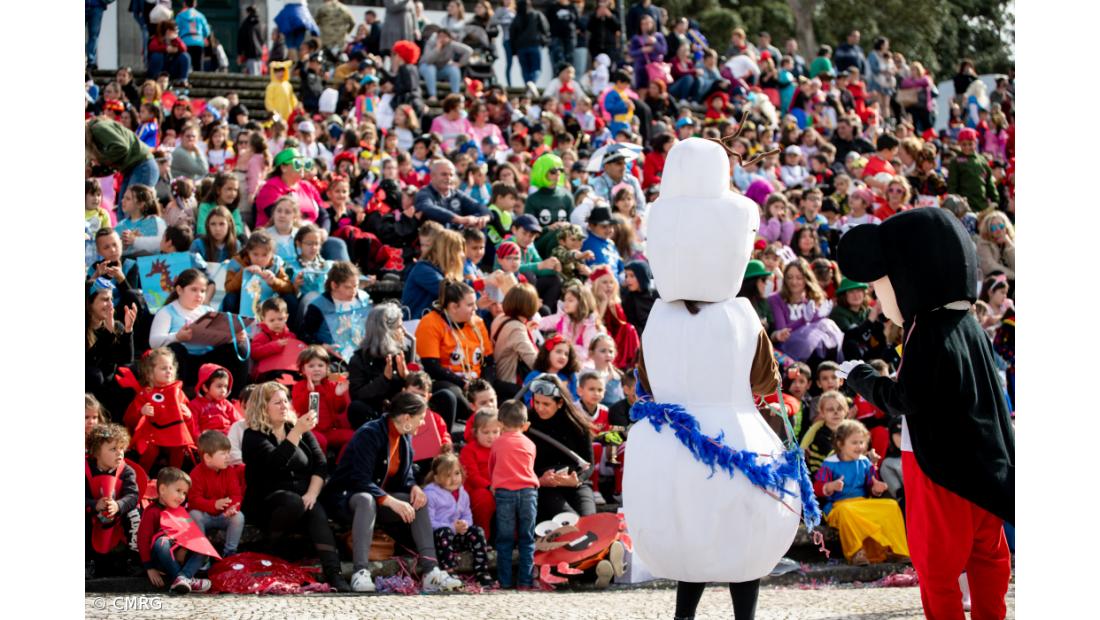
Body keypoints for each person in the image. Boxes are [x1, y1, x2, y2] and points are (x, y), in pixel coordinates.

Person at [837, 208, 1013, 620]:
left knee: (937, 564)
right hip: (986, 462)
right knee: (988, 556)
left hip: (939, 466)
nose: (880, 296)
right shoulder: (969, 324)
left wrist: (862, 376)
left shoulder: (926, 329)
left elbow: (905, 398)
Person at [322, 392, 464, 592]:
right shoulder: (369, 433)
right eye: (421, 418)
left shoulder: (404, 436)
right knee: (366, 499)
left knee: (419, 501)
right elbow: (359, 480)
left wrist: (414, 487)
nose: (423, 423)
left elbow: (407, 473)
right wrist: (390, 500)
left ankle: (431, 571)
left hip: (379, 500)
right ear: (407, 418)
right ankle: (360, 572)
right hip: (347, 498)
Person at [241, 382, 350, 591]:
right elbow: (276, 462)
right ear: (263, 407)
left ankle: (334, 573)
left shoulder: (297, 428)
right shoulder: (253, 436)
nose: (284, 406)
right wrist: (297, 432)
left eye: (285, 401)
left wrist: (312, 493)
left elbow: (320, 464)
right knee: (293, 502)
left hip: (303, 496)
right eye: (277, 402)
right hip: (269, 502)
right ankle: (270, 550)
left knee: (314, 508)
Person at [814, 420, 909, 565]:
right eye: (854, 443)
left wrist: (876, 488)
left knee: (891, 506)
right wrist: (830, 486)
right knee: (846, 511)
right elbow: (816, 488)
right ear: (840, 444)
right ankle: (856, 552)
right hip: (838, 506)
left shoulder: (865, 462)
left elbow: (871, 486)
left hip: (862, 503)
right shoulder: (829, 464)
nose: (859, 446)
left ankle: (895, 550)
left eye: (862, 442)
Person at [149, 269, 249, 394]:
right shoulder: (167, 311)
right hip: (184, 364)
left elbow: (219, 337)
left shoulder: (208, 311)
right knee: (175, 349)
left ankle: (236, 396)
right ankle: (178, 393)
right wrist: (177, 337)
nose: (199, 295)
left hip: (208, 362)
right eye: (194, 290)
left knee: (238, 348)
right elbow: (153, 342)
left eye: (202, 291)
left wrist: (233, 337)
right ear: (179, 290)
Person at [415, 279, 493, 423]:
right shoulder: (430, 323)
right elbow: (432, 367)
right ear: (453, 307)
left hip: (475, 380)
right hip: (445, 381)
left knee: (507, 391)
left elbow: (488, 361)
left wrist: (485, 386)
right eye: (470, 305)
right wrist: (463, 383)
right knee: (451, 393)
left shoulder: (477, 322)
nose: (475, 308)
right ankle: (482, 420)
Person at [522, 374, 596, 521]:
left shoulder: (577, 425)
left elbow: (589, 463)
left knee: (589, 520)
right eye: (536, 402)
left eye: (546, 404)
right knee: (569, 520)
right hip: (544, 486)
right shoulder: (525, 424)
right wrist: (540, 480)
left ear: (560, 403)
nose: (539, 408)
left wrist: (577, 480)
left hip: (575, 483)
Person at [137, 467, 217, 594]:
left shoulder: (181, 511)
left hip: (180, 556)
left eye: (184, 493)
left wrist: (184, 549)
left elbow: (189, 534)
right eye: (178, 491)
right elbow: (142, 540)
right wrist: (149, 567)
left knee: (203, 546)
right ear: (163, 489)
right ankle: (186, 579)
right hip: (161, 558)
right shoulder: (152, 512)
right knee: (162, 543)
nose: (182, 497)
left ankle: (183, 577)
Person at [424, 451, 495, 586]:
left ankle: (481, 571)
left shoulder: (463, 494)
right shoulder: (431, 494)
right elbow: (428, 523)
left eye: (457, 473)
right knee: (445, 532)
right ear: (437, 478)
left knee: (477, 531)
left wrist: (465, 524)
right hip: (438, 539)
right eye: (448, 475)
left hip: (457, 536)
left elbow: (467, 515)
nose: (454, 479)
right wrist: (451, 527)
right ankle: (449, 571)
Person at [490, 399, 540, 589]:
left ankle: (504, 581)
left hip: (505, 493)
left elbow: (492, 467)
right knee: (527, 539)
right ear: (524, 424)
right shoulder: (530, 444)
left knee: (505, 539)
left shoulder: (497, 443)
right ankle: (525, 581)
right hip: (528, 492)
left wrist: (494, 484)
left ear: (500, 423)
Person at [85, 423, 140, 577]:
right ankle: (86, 561)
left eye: (121, 448)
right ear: (96, 452)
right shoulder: (85, 468)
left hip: (117, 513)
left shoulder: (126, 471)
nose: (119, 453)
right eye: (113, 449)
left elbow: (133, 496)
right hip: (92, 511)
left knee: (135, 515)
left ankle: (133, 559)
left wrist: (118, 505)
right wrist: (94, 504)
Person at [766, 259, 844, 365]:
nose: (794, 282)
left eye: (799, 278)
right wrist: (804, 320)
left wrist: (819, 316)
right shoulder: (776, 299)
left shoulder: (813, 297)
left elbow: (816, 329)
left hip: (814, 349)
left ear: (806, 279)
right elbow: (783, 333)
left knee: (827, 325)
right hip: (788, 349)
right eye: (789, 277)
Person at [86, 279, 138, 422]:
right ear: (89, 303)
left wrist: (128, 330)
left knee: (129, 375)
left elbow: (127, 359)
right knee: (95, 375)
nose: (110, 304)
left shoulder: (116, 326)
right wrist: (108, 333)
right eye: (104, 300)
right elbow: (90, 362)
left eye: (111, 299)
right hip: (92, 385)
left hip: (109, 383)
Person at [188, 430, 246, 558]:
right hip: (205, 516)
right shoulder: (196, 474)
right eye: (223, 454)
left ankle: (230, 552)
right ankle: (202, 554)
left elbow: (236, 495)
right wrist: (213, 504)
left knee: (238, 517)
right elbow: (194, 500)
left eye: (228, 453)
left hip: (223, 515)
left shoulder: (229, 471)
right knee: (194, 515)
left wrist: (232, 508)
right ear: (208, 458)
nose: (228, 457)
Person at [291, 345, 353, 456]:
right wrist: (308, 391)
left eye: (320, 365)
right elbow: (298, 409)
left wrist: (338, 394)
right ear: (303, 370)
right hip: (310, 430)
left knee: (353, 437)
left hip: (329, 430)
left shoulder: (330, 384)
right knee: (321, 441)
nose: (316, 369)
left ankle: (340, 463)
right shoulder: (299, 386)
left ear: (326, 368)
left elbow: (339, 409)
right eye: (311, 366)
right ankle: (321, 465)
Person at [86, 117, 160, 207]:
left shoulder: (97, 129)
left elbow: (121, 148)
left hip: (142, 165)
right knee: (123, 209)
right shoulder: (94, 133)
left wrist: (100, 159)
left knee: (132, 208)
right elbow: (114, 162)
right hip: (132, 168)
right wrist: (92, 171)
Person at [414, 159, 491, 229]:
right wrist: (459, 219)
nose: (448, 178)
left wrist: (484, 218)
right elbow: (427, 208)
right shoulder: (424, 193)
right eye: (444, 174)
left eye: (451, 175)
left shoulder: (456, 193)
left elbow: (479, 206)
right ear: (432, 176)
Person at [461, 407, 501, 537]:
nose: (491, 436)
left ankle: (513, 539)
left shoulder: (502, 447)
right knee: (483, 498)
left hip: (499, 487)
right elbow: (472, 476)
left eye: (495, 432)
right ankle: (483, 537)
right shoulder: (469, 450)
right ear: (475, 432)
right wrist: (490, 487)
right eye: (486, 432)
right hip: (478, 489)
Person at [491, 283, 541, 386]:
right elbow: (534, 362)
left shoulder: (501, 317)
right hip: (510, 384)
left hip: (498, 377)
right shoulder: (516, 328)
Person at [946, 128, 997, 212]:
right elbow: (952, 185)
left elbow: (989, 182)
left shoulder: (982, 160)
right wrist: (954, 204)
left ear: (975, 143)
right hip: (964, 208)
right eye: (964, 144)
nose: (967, 147)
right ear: (959, 144)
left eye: (970, 144)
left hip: (982, 206)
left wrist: (995, 199)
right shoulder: (956, 161)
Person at [419, 30, 473, 102]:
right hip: (426, 69)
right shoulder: (431, 43)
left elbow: (469, 51)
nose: (442, 39)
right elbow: (428, 61)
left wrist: (460, 64)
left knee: (454, 69)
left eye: (444, 37)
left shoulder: (452, 45)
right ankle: (432, 95)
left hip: (441, 70)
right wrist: (437, 49)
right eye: (440, 36)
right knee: (431, 68)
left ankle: (455, 96)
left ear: (449, 38)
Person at [191, 364, 243, 436]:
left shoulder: (226, 404)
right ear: (205, 387)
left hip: (229, 437)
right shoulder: (195, 405)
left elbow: (238, 422)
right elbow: (194, 428)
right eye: (219, 386)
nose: (223, 390)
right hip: (210, 439)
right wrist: (200, 440)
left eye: (225, 386)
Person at [510, 0, 551, 86]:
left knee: (525, 69)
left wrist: (514, 50)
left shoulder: (516, 18)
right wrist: (545, 41)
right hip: (535, 45)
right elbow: (545, 28)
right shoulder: (537, 14)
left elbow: (512, 35)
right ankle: (532, 84)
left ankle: (528, 85)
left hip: (521, 48)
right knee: (536, 68)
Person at [147, 21, 193, 86]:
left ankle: (183, 80)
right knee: (157, 56)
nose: (177, 32)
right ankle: (154, 79)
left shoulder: (176, 40)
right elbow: (152, 47)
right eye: (175, 30)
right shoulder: (157, 38)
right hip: (161, 67)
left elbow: (184, 48)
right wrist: (165, 48)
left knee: (185, 56)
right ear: (168, 31)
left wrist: (176, 39)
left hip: (173, 67)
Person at [628, 15, 667, 90]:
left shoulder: (659, 36)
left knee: (657, 90)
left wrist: (655, 43)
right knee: (643, 90)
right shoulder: (636, 38)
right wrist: (642, 50)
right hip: (641, 69)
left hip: (656, 69)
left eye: (648, 23)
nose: (646, 26)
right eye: (643, 24)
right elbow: (631, 53)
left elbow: (664, 51)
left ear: (653, 24)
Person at [976, 211, 1015, 281]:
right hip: (990, 283)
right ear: (988, 230)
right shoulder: (983, 243)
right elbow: (989, 267)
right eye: (993, 228)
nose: (998, 230)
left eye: (1001, 226)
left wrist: (1008, 244)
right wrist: (1014, 275)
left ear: (1006, 227)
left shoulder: (1011, 240)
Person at [237, 6, 265, 76]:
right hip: (259, 54)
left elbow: (241, 40)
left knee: (252, 76)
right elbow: (263, 39)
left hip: (250, 54)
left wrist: (240, 54)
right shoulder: (260, 23)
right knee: (258, 75)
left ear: (248, 12)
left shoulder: (246, 24)